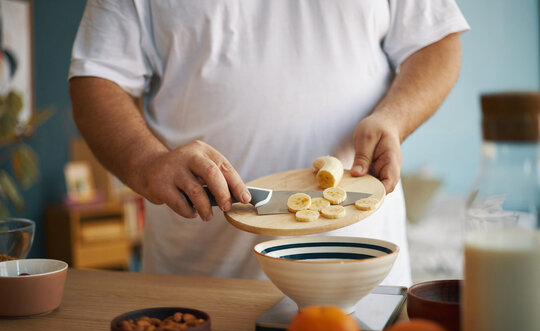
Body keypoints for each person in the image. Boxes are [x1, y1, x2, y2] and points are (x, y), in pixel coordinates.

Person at [69, 0, 469, 286]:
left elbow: (436, 41)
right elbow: (97, 79)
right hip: (201, 284)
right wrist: (147, 161)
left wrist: (393, 118)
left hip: (363, 281)